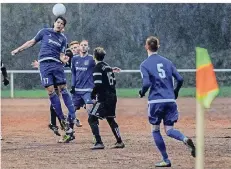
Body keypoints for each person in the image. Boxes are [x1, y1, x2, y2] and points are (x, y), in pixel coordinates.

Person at [11, 16, 76, 143]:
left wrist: (64, 59)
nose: (59, 24)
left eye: (62, 24)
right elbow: (31, 42)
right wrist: (18, 50)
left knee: (63, 88)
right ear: (54, 23)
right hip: (44, 65)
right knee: (51, 91)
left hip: (57, 64)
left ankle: (72, 115)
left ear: (63, 27)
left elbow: (62, 55)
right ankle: (62, 120)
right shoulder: (44, 32)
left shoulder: (63, 38)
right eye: (58, 22)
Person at [139, 36, 196, 167]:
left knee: (155, 130)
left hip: (156, 101)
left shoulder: (144, 64)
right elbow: (180, 79)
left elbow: (146, 83)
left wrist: (142, 92)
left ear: (146, 47)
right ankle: (184, 139)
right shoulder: (167, 62)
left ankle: (166, 159)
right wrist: (175, 92)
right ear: (158, 47)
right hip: (170, 100)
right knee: (169, 130)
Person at [31, 48, 74, 136]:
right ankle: (61, 125)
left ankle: (56, 123)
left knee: (57, 100)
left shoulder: (71, 56)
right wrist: (40, 65)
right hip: (54, 79)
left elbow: (63, 63)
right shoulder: (55, 53)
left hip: (58, 78)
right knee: (55, 100)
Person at [88, 47, 125, 150]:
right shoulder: (108, 66)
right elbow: (114, 81)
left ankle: (99, 142)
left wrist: (93, 94)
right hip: (113, 96)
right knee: (110, 118)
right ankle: (119, 141)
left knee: (92, 118)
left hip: (103, 98)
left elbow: (98, 84)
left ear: (94, 56)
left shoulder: (97, 68)